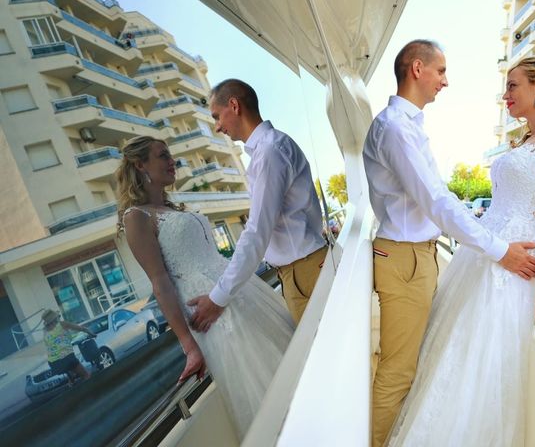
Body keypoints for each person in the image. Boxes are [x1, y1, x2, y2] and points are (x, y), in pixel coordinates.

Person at [387, 55, 535, 446]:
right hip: (488, 257)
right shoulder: (525, 140)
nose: (506, 95)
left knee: (481, 364)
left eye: (513, 85)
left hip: (516, 268)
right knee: (455, 354)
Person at [363, 39, 535, 447]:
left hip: (413, 256)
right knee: (398, 372)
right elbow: (437, 201)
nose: (445, 81)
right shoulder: (395, 129)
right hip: (405, 259)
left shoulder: (406, 126)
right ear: (416, 69)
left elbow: (437, 197)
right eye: (440, 71)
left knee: (410, 364)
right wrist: (501, 250)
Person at [116, 135, 294, 440]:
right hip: (212, 314)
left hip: (234, 293)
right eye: (163, 156)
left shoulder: (172, 208)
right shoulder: (136, 217)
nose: (172, 161)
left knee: (286, 364)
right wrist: (189, 346)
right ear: (139, 164)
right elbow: (160, 283)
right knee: (262, 382)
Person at [186, 79, 328, 327]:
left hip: (305, 273)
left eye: (217, 117)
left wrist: (217, 298)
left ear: (234, 105)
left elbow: (257, 232)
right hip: (305, 267)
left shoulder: (270, 152)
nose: (218, 127)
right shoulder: (272, 147)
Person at [42, 309, 93, 382]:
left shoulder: (45, 331)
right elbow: (80, 328)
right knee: (86, 375)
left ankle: (71, 383)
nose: (59, 318)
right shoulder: (62, 324)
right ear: (54, 318)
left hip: (53, 363)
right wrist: (90, 333)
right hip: (67, 358)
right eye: (58, 317)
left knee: (72, 375)